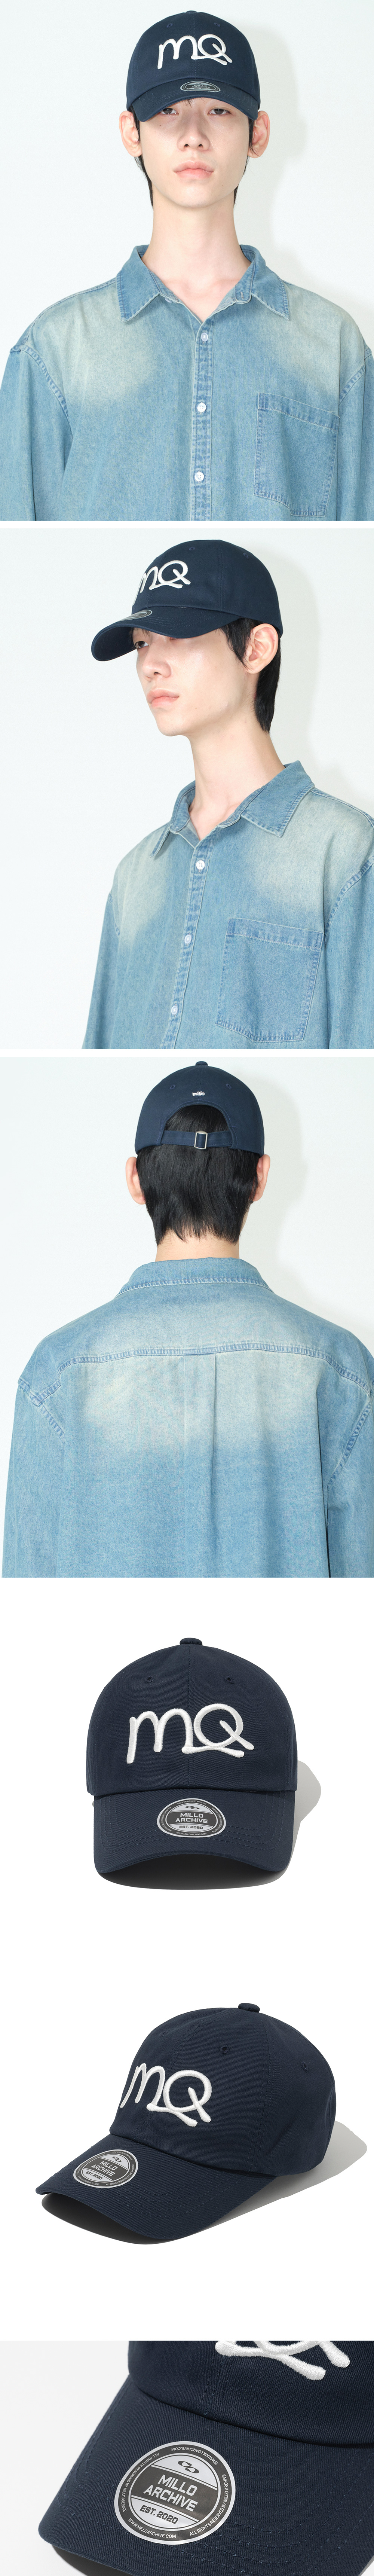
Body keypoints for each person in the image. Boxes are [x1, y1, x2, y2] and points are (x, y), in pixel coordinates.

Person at [3, 1060, 374, 1581]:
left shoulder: (58, 1372)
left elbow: (25, 1591)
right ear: (260, 1178)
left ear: (135, 1179)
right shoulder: (340, 1369)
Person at [1, 12, 373, 522]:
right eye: (168, 110)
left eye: (219, 110)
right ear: (131, 132)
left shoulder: (332, 349)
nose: (193, 135)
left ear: (258, 133)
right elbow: (16, 551)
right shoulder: (55, 354)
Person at [84, 539, 374, 1051]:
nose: (150, 665)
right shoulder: (136, 878)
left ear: (256, 648)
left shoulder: (346, 854)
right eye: (143, 642)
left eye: (177, 634)